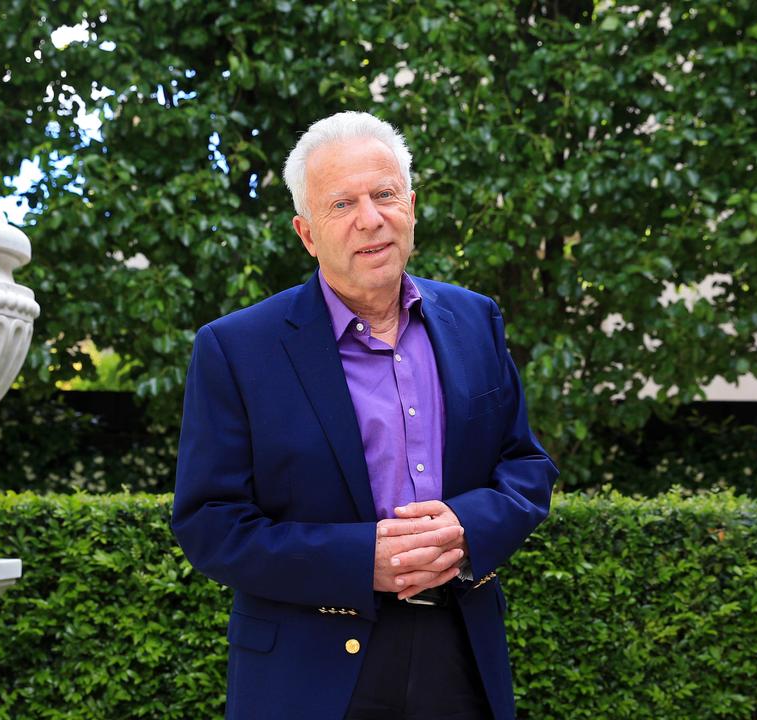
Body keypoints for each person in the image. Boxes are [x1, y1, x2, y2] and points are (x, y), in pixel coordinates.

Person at [172, 111, 558, 720]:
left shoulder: (476, 319)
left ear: (410, 204)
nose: (370, 219)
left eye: (383, 195)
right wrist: (359, 561)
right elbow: (210, 525)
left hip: (461, 652)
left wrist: (464, 528)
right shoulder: (236, 349)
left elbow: (525, 468)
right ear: (306, 232)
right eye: (341, 204)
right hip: (309, 670)